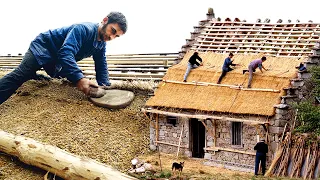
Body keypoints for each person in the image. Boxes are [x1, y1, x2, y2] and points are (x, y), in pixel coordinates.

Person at [0, 12, 127, 105]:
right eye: (112, 30)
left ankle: (34, 76)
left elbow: (101, 64)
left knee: (57, 78)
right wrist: (80, 79)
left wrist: (105, 86)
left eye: (116, 36)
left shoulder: (101, 44)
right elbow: (66, 52)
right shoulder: (83, 29)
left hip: (55, 61)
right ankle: (29, 74)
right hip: (43, 47)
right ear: (105, 20)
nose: (112, 37)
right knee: (21, 74)